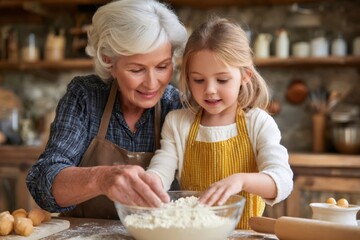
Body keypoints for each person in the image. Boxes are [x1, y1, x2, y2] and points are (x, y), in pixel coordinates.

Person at [26, 0, 188, 219]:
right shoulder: (85, 96)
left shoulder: (177, 106)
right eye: (137, 69)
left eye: (162, 66)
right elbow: (42, 183)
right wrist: (101, 178)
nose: (151, 83)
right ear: (108, 61)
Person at [147, 17, 293, 229]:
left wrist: (241, 181)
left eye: (222, 80)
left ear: (245, 76)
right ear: (187, 78)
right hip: (194, 234)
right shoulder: (178, 123)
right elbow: (162, 170)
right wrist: (149, 183)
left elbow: (282, 181)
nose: (210, 90)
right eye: (198, 80)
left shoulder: (259, 123)